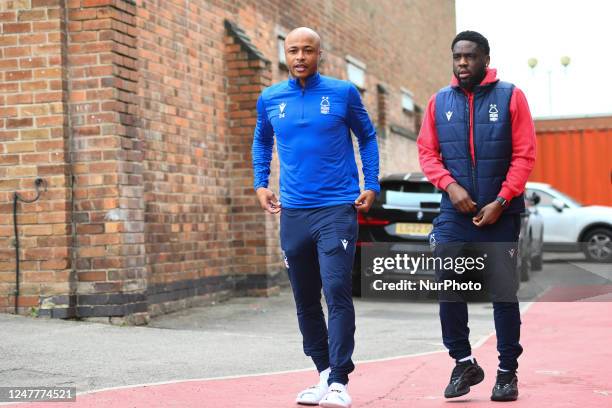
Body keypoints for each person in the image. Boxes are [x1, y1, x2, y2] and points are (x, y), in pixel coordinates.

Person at [251, 27, 379, 408]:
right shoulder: (271, 98)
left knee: (336, 290)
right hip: (293, 212)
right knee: (305, 298)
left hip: (336, 209)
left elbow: (367, 137)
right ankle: (323, 373)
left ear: (319, 54)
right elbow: (261, 140)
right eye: (293, 51)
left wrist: (370, 183)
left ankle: (340, 381)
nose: (300, 57)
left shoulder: (342, 93)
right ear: (285, 54)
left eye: (308, 50)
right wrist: (260, 183)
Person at [417, 30, 536, 402]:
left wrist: (501, 200)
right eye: (457, 57)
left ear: (485, 59)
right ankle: (463, 361)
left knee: (502, 293)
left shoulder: (511, 96)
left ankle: (506, 372)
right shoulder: (440, 102)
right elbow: (427, 153)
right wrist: (451, 188)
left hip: (501, 212)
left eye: (469, 56)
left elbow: (524, 155)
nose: (462, 63)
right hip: (454, 212)